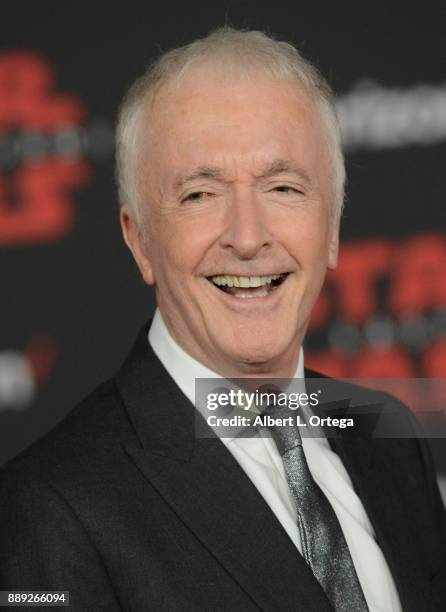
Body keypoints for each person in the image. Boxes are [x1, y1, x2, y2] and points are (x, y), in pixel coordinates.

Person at [0, 27, 445, 612]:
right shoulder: (46, 511)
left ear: (332, 228)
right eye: (200, 195)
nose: (247, 237)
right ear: (139, 242)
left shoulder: (388, 435)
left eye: (284, 187)